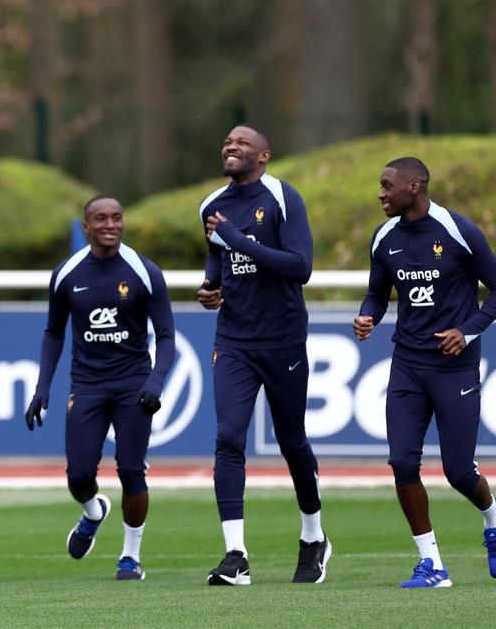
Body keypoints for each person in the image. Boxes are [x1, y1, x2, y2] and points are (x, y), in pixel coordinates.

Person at [195, 124, 329, 585]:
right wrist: (210, 288)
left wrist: (238, 239)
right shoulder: (211, 206)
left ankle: (313, 536)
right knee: (229, 436)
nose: (231, 147)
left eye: (242, 144)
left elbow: (301, 267)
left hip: (283, 339)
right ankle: (236, 555)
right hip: (233, 341)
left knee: (292, 440)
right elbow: (217, 259)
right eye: (227, 141)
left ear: (264, 155)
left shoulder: (283, 197)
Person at [353, 157, 496, 588]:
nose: (380, 193)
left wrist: (468, 332)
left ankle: (492, 522)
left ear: (413, 187)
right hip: (407, 365)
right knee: (401, 462)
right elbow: (377, 294)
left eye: (387, 186)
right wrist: (366, 316)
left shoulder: (458, 231)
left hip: (455, 368)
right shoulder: (384, 237)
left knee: (458, 471)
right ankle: (431, 564)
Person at [25, 195, 174, 581]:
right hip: (87, 386)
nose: (111, 225)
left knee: (131, 472)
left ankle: (130, 556)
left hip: (133, 386)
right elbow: (54, 332)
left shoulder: (144, 271)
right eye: (101, 219)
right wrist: (43, 387)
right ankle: (93, 512)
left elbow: (167, 336)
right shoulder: (67, 273)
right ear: (86, 226)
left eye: (117, 218)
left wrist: (155, 381)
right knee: (77, 476)